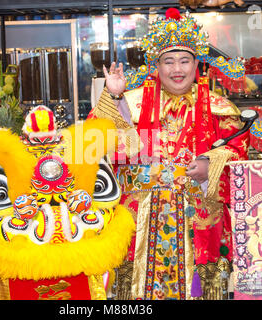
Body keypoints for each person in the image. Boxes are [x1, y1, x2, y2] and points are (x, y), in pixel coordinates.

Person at [88, 8, 249, 300]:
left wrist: (210, 165)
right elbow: (96, 141)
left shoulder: (219, 106)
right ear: (156, 65)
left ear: (197, 64)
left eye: (185, 60)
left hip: (197, 220)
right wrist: (113, 96)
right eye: (169, 61)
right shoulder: (132, 101)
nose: (177, 69)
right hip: (141, 220)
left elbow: (240, 149)